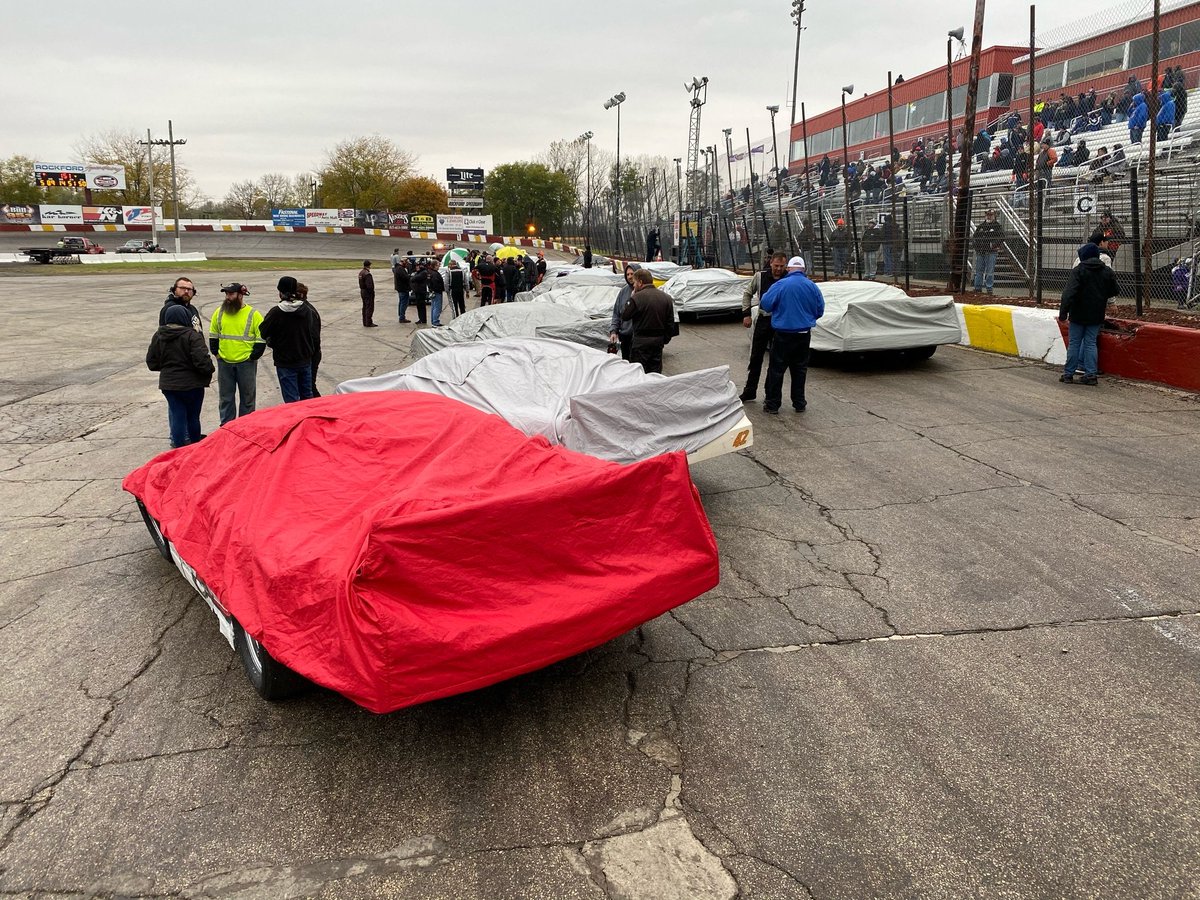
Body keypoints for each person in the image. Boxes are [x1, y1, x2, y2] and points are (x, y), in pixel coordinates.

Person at [759, 256, 824, 414]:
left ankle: (773, 404)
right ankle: (799, 403)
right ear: (803, 269)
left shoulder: (781, 284)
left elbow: (765, 303)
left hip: (783, 334)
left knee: (777, 369)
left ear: (788, 268)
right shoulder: (812, 286)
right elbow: (820, 309)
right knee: (800, 370)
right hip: (803, 334)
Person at [147, 303, 214, 449]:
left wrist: (167, 369)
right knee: (193, 417)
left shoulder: (159, 336)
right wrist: (209, 371)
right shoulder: (192, 336)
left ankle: (178, 449)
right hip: (192, 384)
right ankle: (195, 447)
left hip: (169, 384)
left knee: (177, 416)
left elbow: (151, 362)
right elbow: (202, 361)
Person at [1058, 243, 1119, 386]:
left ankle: (1068, 374)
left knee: (1074, 343)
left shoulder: (1078, 271)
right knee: (1090, 343)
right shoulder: (1106, 271)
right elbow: (1114, 290)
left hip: (1078, 313)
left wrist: (1063, 313)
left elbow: (1068, 294)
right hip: (1096, 313)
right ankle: (1091, 374)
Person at [208, 282, 265, 425]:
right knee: (226, 398)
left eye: (231, 294)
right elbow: (213, 334)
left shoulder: (254, 314)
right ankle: (227, 427)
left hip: (246, 363)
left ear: (241, 295)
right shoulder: (219, 312)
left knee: (247, 398)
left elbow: (261, 337)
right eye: (226, 294)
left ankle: (246, 427)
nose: (228, 297)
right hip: (225, 362)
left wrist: (253, 356)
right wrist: (216, 353)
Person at [259, 275, 319, 402]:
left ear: (280, 292)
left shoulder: (276, 312)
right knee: (307, 397)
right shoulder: (306, 310)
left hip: (286, 362)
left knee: (291, 401)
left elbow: (263, 332)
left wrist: (273, 341)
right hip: (305, 359)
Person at [739, 251, 787, 402]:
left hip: (780, 323)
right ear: (771, 263)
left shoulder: (788, 279)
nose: (779, 269)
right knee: (755, 358)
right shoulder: (760, 277)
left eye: (782, 266)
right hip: (763, 320)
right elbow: (747, 294)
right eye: (776, 265)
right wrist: (746, 314)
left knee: (776, 361)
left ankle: (770, 394)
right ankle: (750, 390)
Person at [620, 269, 675, 374]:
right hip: (657, 344)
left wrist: (630, 299)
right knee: (655, 374)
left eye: (635, 282)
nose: (634, 285)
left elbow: (625, 315)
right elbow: (670, 324)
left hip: (640, 344)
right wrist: (663, 340)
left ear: (640, 282)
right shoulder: (666, 298)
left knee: (639, 374)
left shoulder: (636, 298)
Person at [295, 282, 322, 396]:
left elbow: (314, 338)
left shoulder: (308, 311)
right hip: (307, 355)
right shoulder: (302, 309)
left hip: (310, 356)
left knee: (309, 387)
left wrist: (306, 354)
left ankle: (321, 408)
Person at [608, 264, 637, 361]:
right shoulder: (623, 292)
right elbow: (616, 313)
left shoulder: (644, 292)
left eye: (632, 274)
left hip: (639, 340)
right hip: (625, 338)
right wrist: (613, 331)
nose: (629, 277)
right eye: (627, 274)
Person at [972, 209, 1004, 295]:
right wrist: (976, 246)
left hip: (991, 252)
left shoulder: (997, 226)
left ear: (994, 216)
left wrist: (993, 245)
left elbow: (1002, 237)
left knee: (989, 271)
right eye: (988, 215)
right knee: (979, 271)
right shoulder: (981, 226)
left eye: (991, 215)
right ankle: (977, 287)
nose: (989, 216)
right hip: (981, 252)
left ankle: (989, 288)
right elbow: (974, 237)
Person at [358, 260, 376, 327]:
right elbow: (370, 286)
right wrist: (372, 293)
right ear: (369, 265)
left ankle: (365, 321)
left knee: (365, 307)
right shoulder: (367, 274)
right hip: (368, 293)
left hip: (362, 291)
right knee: (369, 307)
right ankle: (369, 322)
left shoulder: (361, 273)